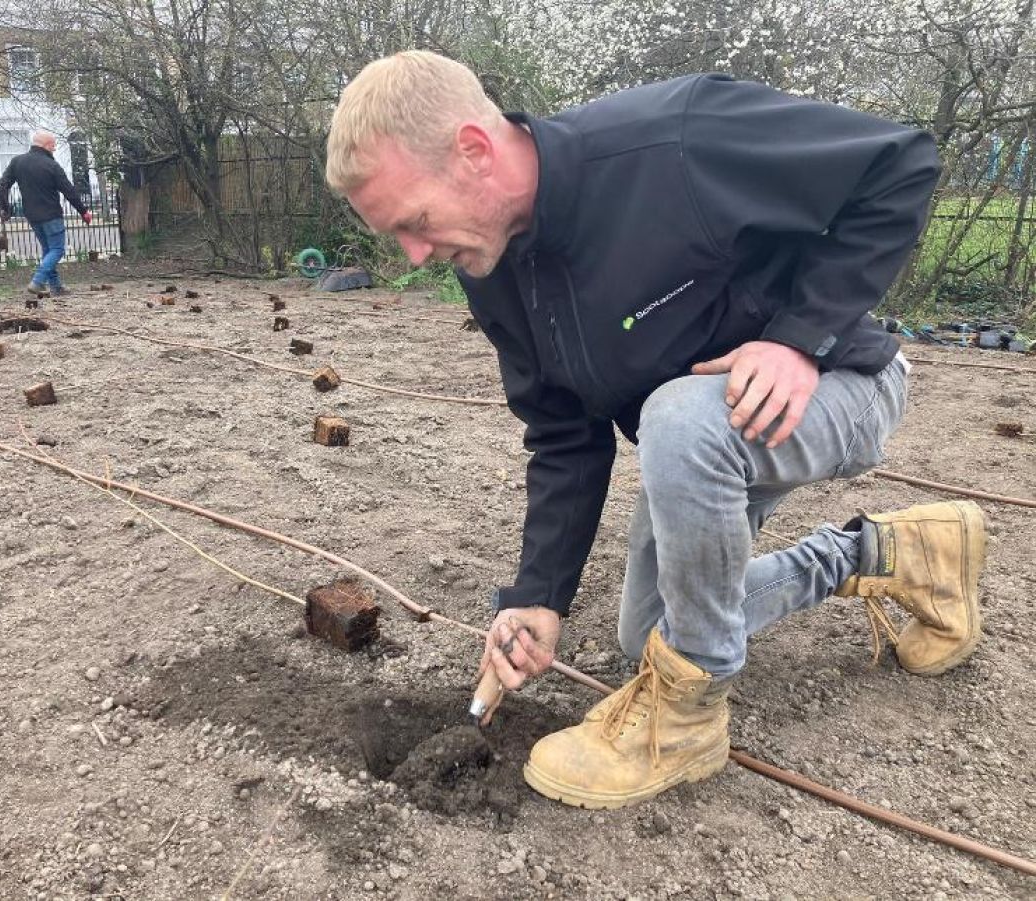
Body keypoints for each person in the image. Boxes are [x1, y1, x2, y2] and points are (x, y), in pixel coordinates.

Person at [325, 51, 987, 810]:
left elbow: (899, 165)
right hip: (708, 442)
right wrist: (539, 596)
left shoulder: (676, 140)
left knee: (676, 421)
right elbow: (564, 433)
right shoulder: (493, 270)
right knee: (650, 638)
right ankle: (890, 553)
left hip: (840, 385)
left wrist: (799, 339)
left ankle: (688, 720)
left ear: (474, 150)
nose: (415, 254)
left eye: (415, 222)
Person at [0, 130, 92, 296]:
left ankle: (56, 287)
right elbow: (69, 191)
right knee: (57, 250)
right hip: (51, 214)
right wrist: (83, 211)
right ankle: (38, 281)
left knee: (48, 250)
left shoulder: (17, 162)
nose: (54, 149)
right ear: (47, 145)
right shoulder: (51, 165)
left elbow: (2, 184)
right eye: (53, 146)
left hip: (32, 215)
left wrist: (6, 208)